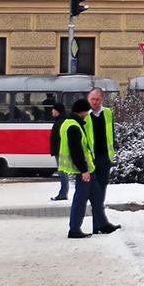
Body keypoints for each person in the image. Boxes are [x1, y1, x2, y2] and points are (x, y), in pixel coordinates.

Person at [83, 87, 120, 235]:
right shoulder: (84, 115)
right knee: (95, 192)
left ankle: (97, 225)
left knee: (101, 191)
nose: (94, 102)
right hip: (91, 158)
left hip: (104, 157)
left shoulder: (107, 113)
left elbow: (110, 133)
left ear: (102, 99)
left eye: (97, 99)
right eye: (92, 99)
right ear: (88, 99)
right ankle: (101, 224)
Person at [58, 100, 93, 239]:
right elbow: (77, 150)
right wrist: (84, 169)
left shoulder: (68, 123)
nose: (87, 114)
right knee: (80, 198)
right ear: (83, 111)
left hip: (80, 168)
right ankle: (75, 229)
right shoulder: (74, 127)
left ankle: (77, 227)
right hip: (81, 169)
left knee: (82, 196)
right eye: (87, 112)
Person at [46, 97, 67, 200]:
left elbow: (59, 137)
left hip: (60, 150)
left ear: (57, 111)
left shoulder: (60, 122)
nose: (52, 111)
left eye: (54, 109)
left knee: (62, 171)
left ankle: (63, 193)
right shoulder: (60, 120)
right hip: (59, 149)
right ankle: (63, 192)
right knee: (62, 171)